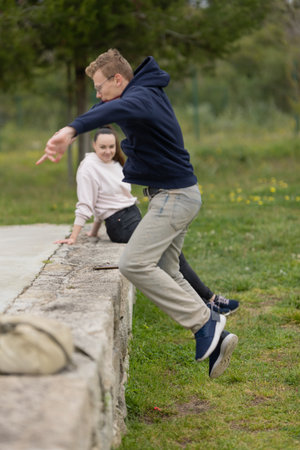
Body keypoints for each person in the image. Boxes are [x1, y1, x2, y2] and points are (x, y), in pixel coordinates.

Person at [37, 48, 238, 378]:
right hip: (176, 195)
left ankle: (205, 323)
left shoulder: (141, 97)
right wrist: (71, 129)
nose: (97, 94)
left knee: (133, 263)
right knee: (167, 268)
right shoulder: (138, 95)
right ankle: (217, 338)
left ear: (119, 79)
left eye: (100, 86)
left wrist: (71, 130)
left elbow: (108, 109)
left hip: (174, 198)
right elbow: (105, 109)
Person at [55, 126, 239, 317]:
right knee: (169, 255)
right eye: (102, 147)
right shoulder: (89, 167)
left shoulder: (114, 163)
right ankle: (209, 301)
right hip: (120, 223)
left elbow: (105, 201)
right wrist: (74, 236)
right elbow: (87, 203)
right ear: (94, 145)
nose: (108, 151)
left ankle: (206, 302)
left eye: (111, 146)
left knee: (170, 255)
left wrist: (94, 231)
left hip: (131, 216)